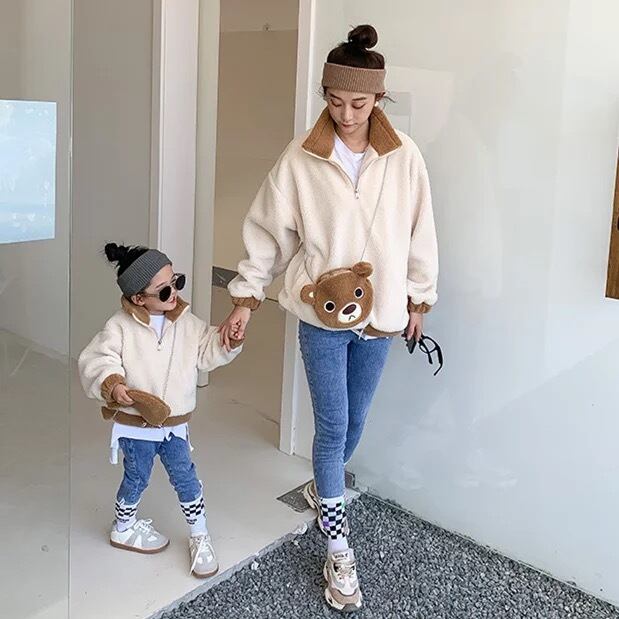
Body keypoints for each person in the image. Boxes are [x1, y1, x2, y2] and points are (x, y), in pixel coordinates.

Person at [219, 24, 438, 611]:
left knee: (356, 419)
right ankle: (338, 549)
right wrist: (245, 297)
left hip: (381, 314)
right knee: (334, 426)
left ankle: (326, 487)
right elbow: (267, 233)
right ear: (325, 95)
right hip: (320, 318)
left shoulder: (404, 156)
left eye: (359, 103)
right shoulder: (301, 158)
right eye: (336, 101)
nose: (346, 114)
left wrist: (418, 300)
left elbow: (420, 231)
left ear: (379, 98)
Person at [79, 243, 243, 578]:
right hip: (136, 425)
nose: (174, 293)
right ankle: (123, 527)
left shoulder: (187, 322)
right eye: (164, 290)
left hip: (173, 426)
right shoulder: (119, 327)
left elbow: (207, 351)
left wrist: (228, 340)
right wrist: (113, 385)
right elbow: (97, 359)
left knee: (186, 476)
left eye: (177, 282)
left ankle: (199, 533)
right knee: (137, 476)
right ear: (138, 298)